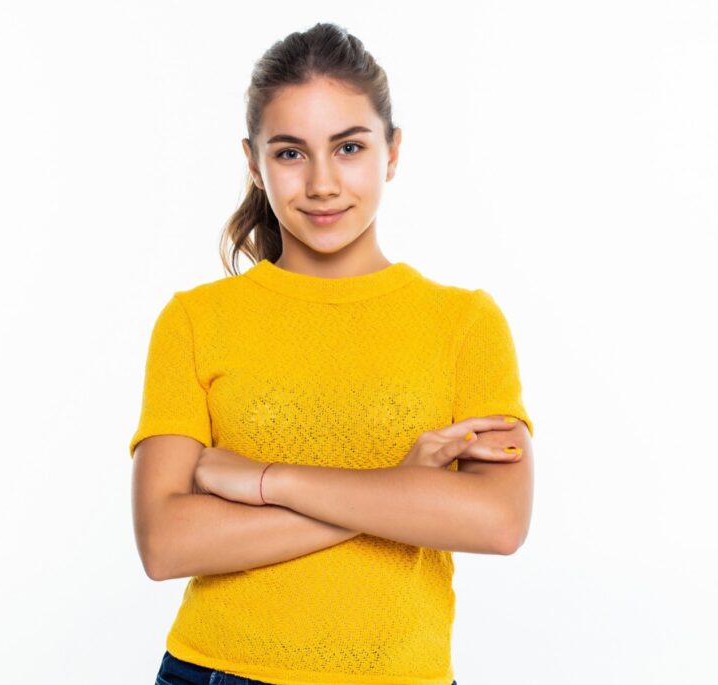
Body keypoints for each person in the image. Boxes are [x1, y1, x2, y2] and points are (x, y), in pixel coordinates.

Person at [130, 22, 535, 685]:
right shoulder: (195, 320)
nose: (321, 183)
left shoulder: (464, 321)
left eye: (348, 147)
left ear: (393, 151)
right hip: (217, 671)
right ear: (254, 162)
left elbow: (499, 521)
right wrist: (402, 492)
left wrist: (267, 480)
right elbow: (165, 541)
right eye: (290, 153)